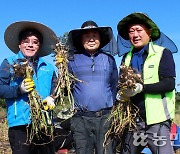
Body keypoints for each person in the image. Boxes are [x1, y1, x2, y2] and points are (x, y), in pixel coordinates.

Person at [117, 12, 176, 154]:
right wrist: (121, 94)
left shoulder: (162, 53)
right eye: (131, 32)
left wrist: (141, 88)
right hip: (133, 121)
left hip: (157, 122)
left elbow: (169, 84)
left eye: (139, 30)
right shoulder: (126, 58)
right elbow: (121, 83)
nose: (135, 35)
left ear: (149, 32)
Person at [56, 20, 118, 154]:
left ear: (100, 39)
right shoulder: (71, 59)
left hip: (105, 117)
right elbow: (65, 89)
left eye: (95, 35)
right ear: (81, 39)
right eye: (87, 36)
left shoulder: (109, 59)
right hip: (81, 118)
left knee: (107, 151)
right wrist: (61, 69)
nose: (91, 39)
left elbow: (114, 85)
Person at [0, 21, 58, 154]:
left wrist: (52, 98)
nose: (30, 44)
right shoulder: (9, 63)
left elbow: (56, 89)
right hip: (20, 125)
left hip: (45, 124)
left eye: (35, 42)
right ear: (19, 45)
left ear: (40, 46)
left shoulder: (48, 67)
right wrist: (18, 90)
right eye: (26, 41)